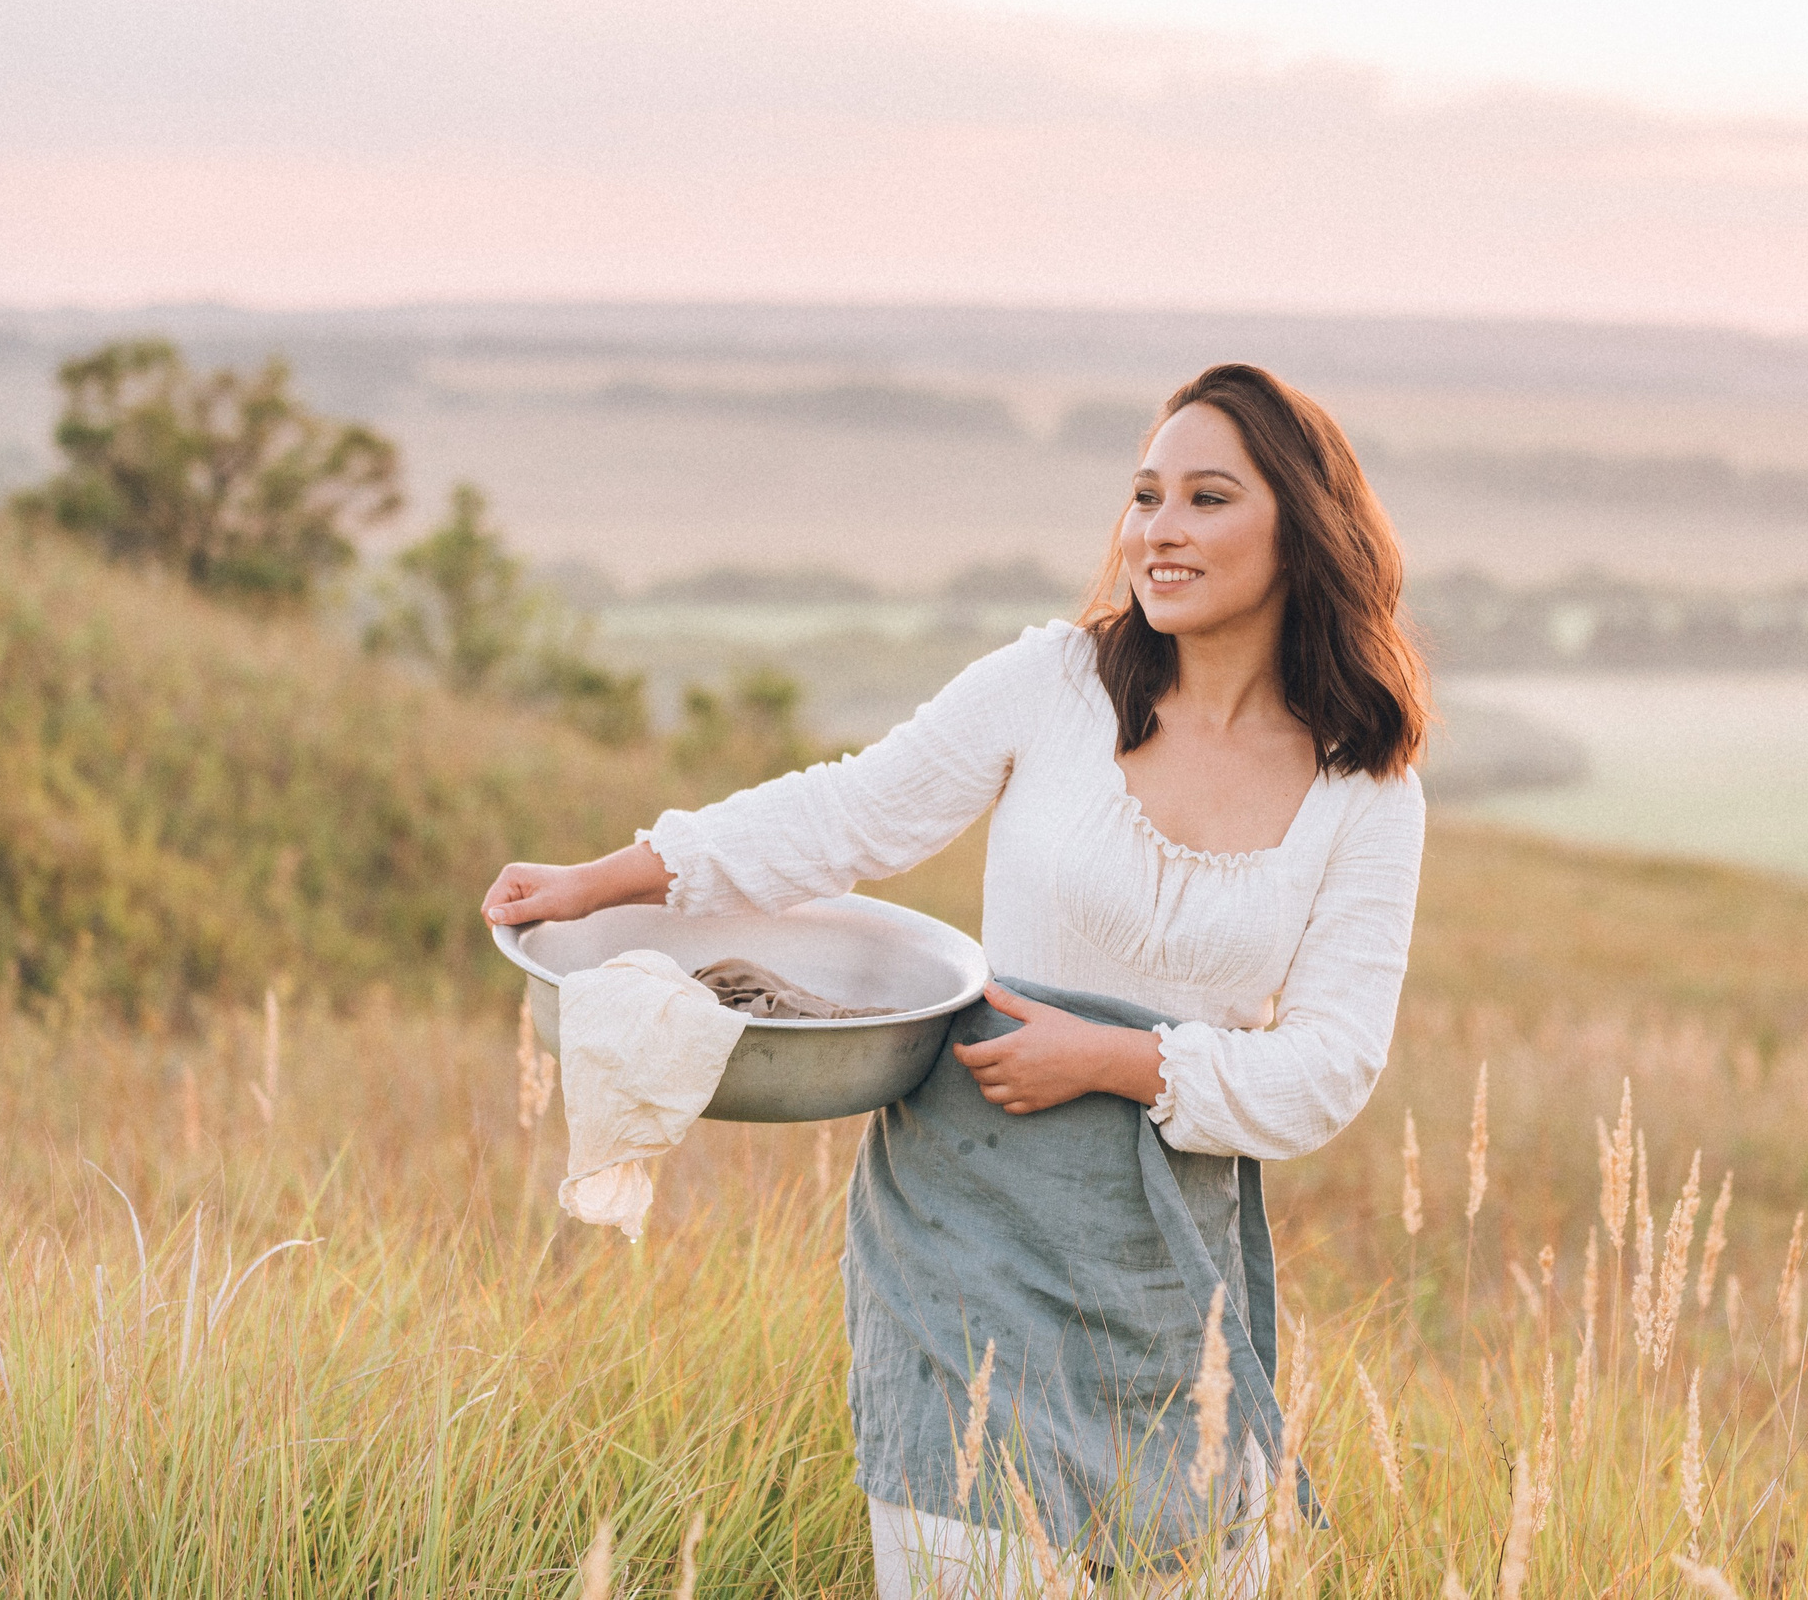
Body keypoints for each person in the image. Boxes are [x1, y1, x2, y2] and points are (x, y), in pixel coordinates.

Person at [481, 363, 1429, 1597]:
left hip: (1159, 1265)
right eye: (1145, 496)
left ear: (1301, 530)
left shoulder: (1363, 788)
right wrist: (608, 878)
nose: (1159, 531)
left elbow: (1330, 1068)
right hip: (957, 1227)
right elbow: (846, 816)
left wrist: (1112, 1060)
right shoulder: (1055, 685)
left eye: (1206, 499)